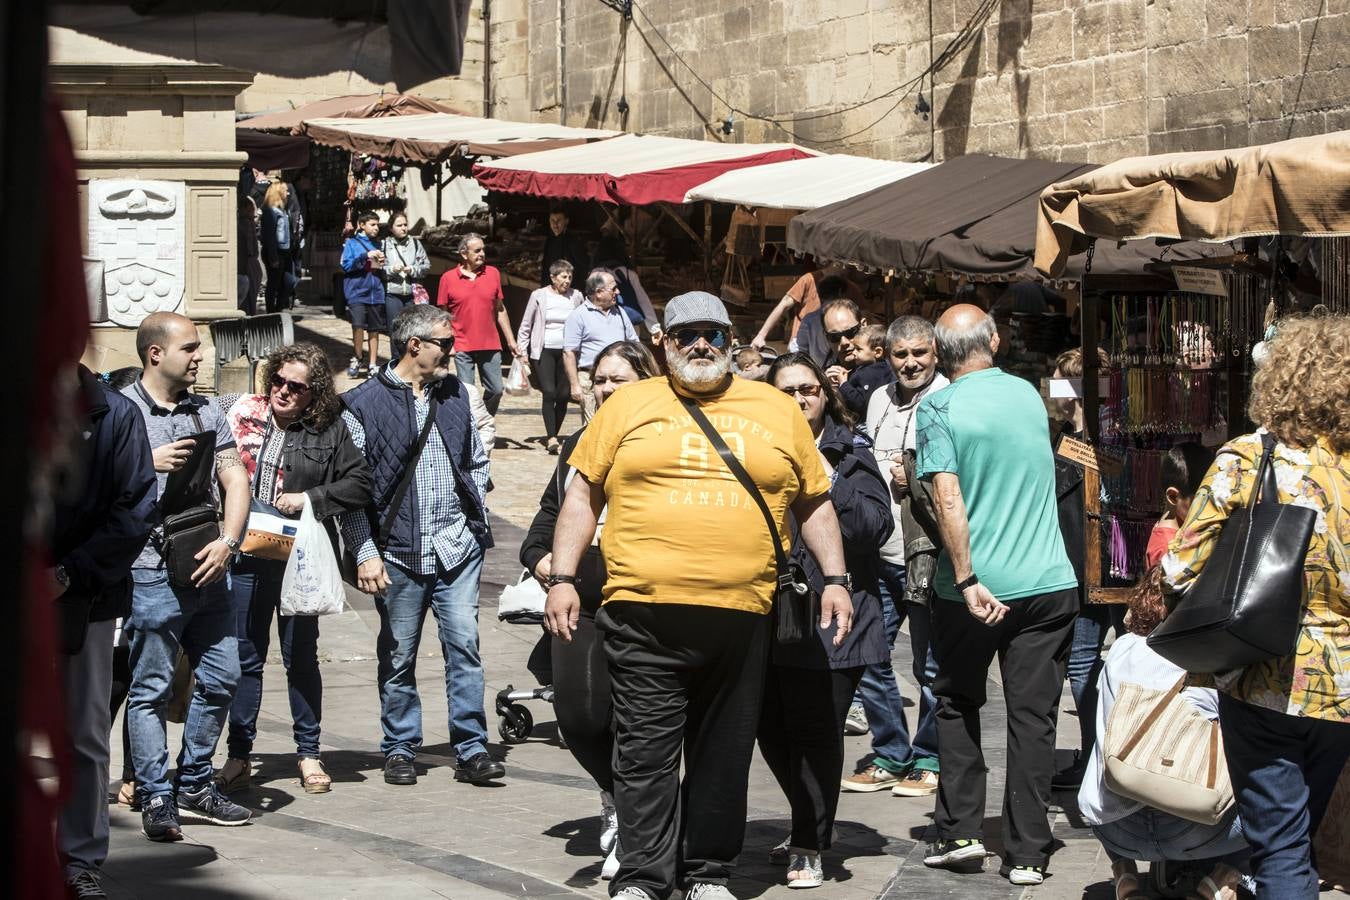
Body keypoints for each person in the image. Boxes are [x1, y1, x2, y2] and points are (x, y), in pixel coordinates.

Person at [544, 291, 855, 900]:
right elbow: (582, 496)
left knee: (723, 755)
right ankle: (642, 878)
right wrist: (561, 577)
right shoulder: (628, 405)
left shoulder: (775, 408)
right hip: (641, 613)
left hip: (743, 617)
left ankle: (707, 873)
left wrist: (836, 580)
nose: (700, 345)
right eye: (686, 335)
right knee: (644, 755)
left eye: (712, 333)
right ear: (663, 343)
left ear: (732, 340)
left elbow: (813, 501)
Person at [1163, 316, 1350, 900]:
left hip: (1266, 675)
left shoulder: (1249, 457)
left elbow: (1179, 568)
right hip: (1343, 684)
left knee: (1281, 848)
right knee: (1300, 833)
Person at [916, 304, 1079, 886]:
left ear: (937, 353)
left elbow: (947, 497)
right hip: (1048, 582)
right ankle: (1029, 851)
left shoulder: (938, 406)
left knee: (959, 702)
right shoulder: (1028, 397)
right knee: (1033, 718)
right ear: (996, 339)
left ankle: (960, 831)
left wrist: (965, 577)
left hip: (975, 589)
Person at [340, 304, 503, 788]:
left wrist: (474, 515)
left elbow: (476, 459)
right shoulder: (362, 404)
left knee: (464, 647)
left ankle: (472, 747)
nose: (454, 352)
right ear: (415, 346)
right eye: (445, 344)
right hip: (398, 551)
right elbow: (350, 491)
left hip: (456, 546)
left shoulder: (458, 393)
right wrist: (365, 552)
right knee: (398, 653)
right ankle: (399, 746)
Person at [519, 340, 661, 880]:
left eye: (617, 379)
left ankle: (638, 823)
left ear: (646, 384)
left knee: (638, 724)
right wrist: (546, 565)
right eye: (599, 379)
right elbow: (543, 524)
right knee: (579, 719)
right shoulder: (578, 443)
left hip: (646, 603)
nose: (603, 388)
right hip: (581, 601)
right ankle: (618, 796)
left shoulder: (661, 443)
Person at [212, 343, 374, 797]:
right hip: (244, 553)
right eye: (278, 381)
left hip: (294, 559)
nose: (283, 391)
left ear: (314, 392)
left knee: (301, 656)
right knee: (245, 656)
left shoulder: (329, 429)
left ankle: (308, 752)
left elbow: (360, 482)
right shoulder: (241, 411)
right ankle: (239, 755)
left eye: (296, 386)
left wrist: (310, 499)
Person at [757, 352, 892, 890]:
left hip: (835, 619)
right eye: (786, 391)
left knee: (816, 730)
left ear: (824, 394)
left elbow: (872, 526)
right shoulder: (752, 447)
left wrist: (823, 478)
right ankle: (806, 821)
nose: (799, 399)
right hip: (768, 612)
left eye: (808, 389)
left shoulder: (848, 448)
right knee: (769, 727)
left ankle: (810, 842)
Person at [121, 312, 253, 841]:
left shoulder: (208, 409)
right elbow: (90, 486)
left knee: (223, 676)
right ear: (155, 353)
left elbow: (235, 476)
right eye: (191, 348)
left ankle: (195, 782)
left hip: (208, 563)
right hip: (151, 572)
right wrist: (144, 461)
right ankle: (156, 793)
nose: (201, 356)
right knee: (150, 688)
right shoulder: (121, 413)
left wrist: (230, 541)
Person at [1080, 501, 1247, 900]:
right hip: (1199, 824)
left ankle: (1124, 875)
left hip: (1116, 829)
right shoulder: (1216, 659)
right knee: (1285, 797)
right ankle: (1224, 878)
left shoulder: (1122, 650)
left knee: (1100, 764)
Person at [52, 365, 156, 899]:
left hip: (83, 599)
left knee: (84, 733)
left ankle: (80, 859)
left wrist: (67, 572)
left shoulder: (114, 413)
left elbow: (134, 509)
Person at [844, 316, 948, 798]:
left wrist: (916, 480)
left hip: (925, 553)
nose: (910, 363)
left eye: (918, 353)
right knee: (868, 655)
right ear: (887, 357)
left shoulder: (948, 398)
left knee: (930, 665)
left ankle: (929, 757)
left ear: (935, 354)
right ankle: (890, 752)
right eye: (900, 354)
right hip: (877, 552)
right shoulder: (879, 398)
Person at [1050, 347, 1126, 790]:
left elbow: (1115, 473)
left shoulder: (1107, 435)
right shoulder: (1062, 432)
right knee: (1080, 665)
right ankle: (1093, 753)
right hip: (1078, 564)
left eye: (1060, 382)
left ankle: (1115, 752)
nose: (1053, 391)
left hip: (1115, 562)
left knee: (1131, 657)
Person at [436, 232, 519, 415]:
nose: (482, 254)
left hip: (490, 343)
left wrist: (511, 341)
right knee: (467, 392)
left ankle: (484, 420)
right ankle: (471, 427)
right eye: (477, 250)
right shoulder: (448, 278)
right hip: (462, 344)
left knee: (496, 389)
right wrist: (447, 343)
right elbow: (443, 315)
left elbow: (500, 309)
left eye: (483, 250)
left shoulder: (493, 274)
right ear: (464, 254)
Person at [517, 260, 584, 454]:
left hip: (568, 352)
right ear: (553, 278)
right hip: (544, 349)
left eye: (570, 277)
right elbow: (526, 325)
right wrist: (522, 351)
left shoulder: (576, 296)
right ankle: (551, 436)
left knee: (563, 394)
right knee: (549, 391)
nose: (567, 281)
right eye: (563, 277)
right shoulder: (539, 296)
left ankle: (555, 432)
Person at [562, 269, 638, 424]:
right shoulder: (578, 316)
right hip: (591, 380)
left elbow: (634, 342)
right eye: (613, 288)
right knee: (594, 425)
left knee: (620, 422)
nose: (618, 291)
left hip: (620, 379)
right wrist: (575, 385)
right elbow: (569, 352)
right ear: (598, 292)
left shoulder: (621, 313)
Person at [750, 265, 864, 352]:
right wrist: (761, 336)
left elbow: (865, 314)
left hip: (837, 350)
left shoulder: (851, 287)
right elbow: (784, 304)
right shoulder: (809, 280)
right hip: (802, 345)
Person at [1145, 443, 1214, 569]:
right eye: (1200, 503)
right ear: (1173, 497)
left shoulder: (1175, 528)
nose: (1206, 509)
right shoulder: (1166, 548)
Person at [340, 211, 386, 378]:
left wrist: (382, 262)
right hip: (357, 292)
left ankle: (373, 363)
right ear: (362, 225)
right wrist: (365, 255)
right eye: (372, 225)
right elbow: (346, 266)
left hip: (376, 292)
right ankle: (358, 357)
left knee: (374, 329)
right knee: (358, 326)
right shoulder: (351, 243)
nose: (376, 228)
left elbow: (381, 268)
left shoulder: (380, 244)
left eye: (377, 225)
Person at [593, 234, 663, 341]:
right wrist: (654, 328)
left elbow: (592, 302)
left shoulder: (596, 274)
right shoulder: (629, 274)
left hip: (605, 326)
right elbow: (643, 301)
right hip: (631, 326)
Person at [382, 212, 430, 362]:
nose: (403, 228)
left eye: (405, 225)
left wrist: (413, 269)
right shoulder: (384, 245)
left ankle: (410, 361)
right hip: (392, 293)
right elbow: (377, 268)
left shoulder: (415, 244)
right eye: (399, 225)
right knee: (395, 330)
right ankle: (396, 362)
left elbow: (426, 266)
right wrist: (391, 269)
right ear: (391, 228)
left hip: (411, 294)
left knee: (411, 330)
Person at [790, 276, 854, 368]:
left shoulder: (809, 319)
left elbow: (800, 348)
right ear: (840, 292)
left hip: (821, 371)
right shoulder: (850, 316)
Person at [838, 323, 893, 416]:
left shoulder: (867, 375)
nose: (854, 352)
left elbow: (860, 403)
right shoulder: (886, 369)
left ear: (877, 352)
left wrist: (843, 384)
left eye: (858, 349)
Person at [260, 180, 294, 314]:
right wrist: (273, 256)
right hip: (276, 251)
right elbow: (270, 236)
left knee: (288, 281)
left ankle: (278, 308)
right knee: (273, 284)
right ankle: (271, 312)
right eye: (285, 190)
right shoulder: (271, 212)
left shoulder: (283, 210)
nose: (288, 193)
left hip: (285, 251)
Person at [819, 298, 868, 390]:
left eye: (850, 333)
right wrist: (827, 391)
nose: (844, 342)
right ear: (826, 337)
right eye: (835, 337)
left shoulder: (889, 369)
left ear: (863, 325)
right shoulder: (823, 381)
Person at [540, 208, 589, 286]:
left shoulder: (574, 242)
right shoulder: (549, 240)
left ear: (566, 221)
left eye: (559, 220)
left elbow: (582, 267)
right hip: (551, 287)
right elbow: (546, 265)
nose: (555, 224)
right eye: (552, 220)